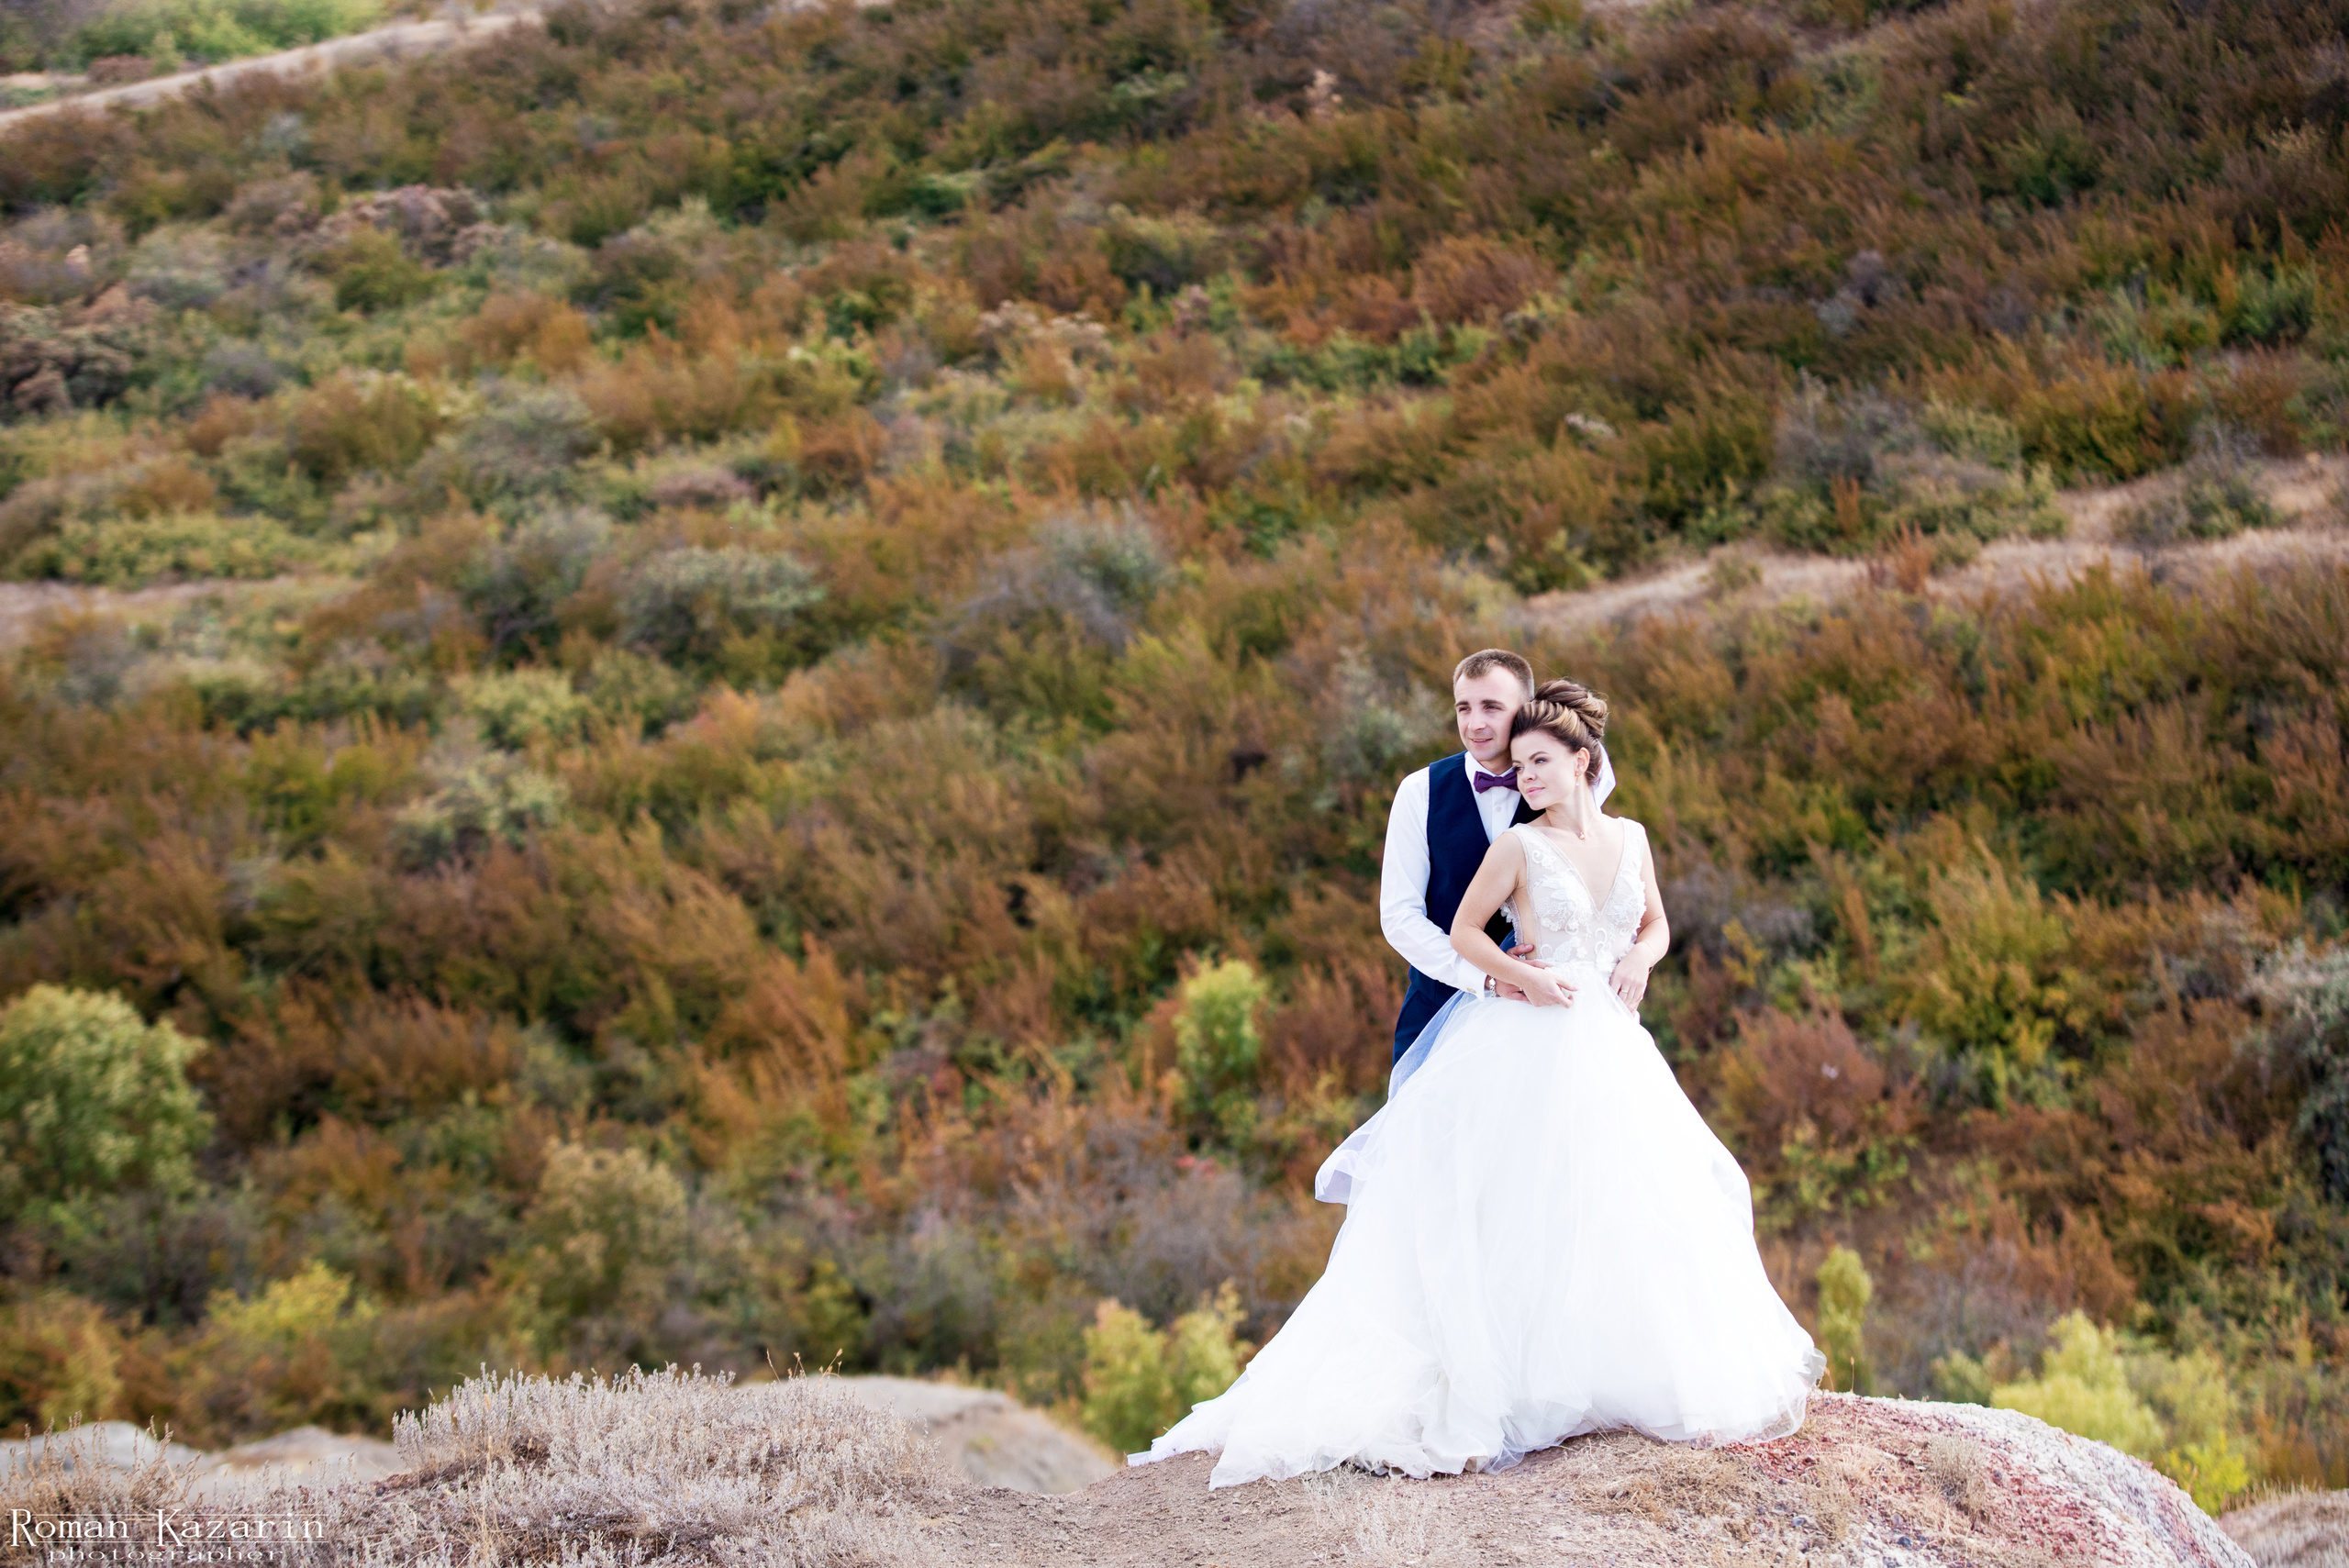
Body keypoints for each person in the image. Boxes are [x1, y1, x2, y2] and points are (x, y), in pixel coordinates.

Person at [1134, 681, 1823, 1488]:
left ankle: (1601, 1365)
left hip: (1608, 1039)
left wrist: (1641, 958)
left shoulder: (1632, 837)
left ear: (1584, 761)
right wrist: (1508, 979)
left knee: (1617, 1197)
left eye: (1540, 761)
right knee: (1509, 1205)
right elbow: (1460, 929)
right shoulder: (1518, 846)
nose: (1525, 775)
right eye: (1519, 762)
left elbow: (1656, 923)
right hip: (1524, 1037)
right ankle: (1498, 1382)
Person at [1379, 650, 1613, 1067]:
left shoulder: (1565, 786)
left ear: (1524, 711)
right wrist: (1487, 978)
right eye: (1463, 708)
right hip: (1438, 1012)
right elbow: (1399, 916)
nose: (1474, 724)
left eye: (1492, 707)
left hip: (1547, 1022)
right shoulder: (1420, 791)